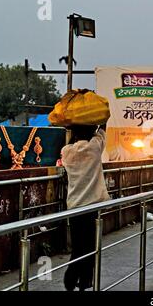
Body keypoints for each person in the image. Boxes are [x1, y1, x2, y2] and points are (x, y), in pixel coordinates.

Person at [61, 124, 110, 291]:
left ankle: (71, 278)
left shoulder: (66, 151)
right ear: (90, 132)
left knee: (77, 246)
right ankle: (83, 281)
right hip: (91, 206)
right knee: (90, 247)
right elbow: (103, 130)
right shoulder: (95, 147)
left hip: (74, 206)